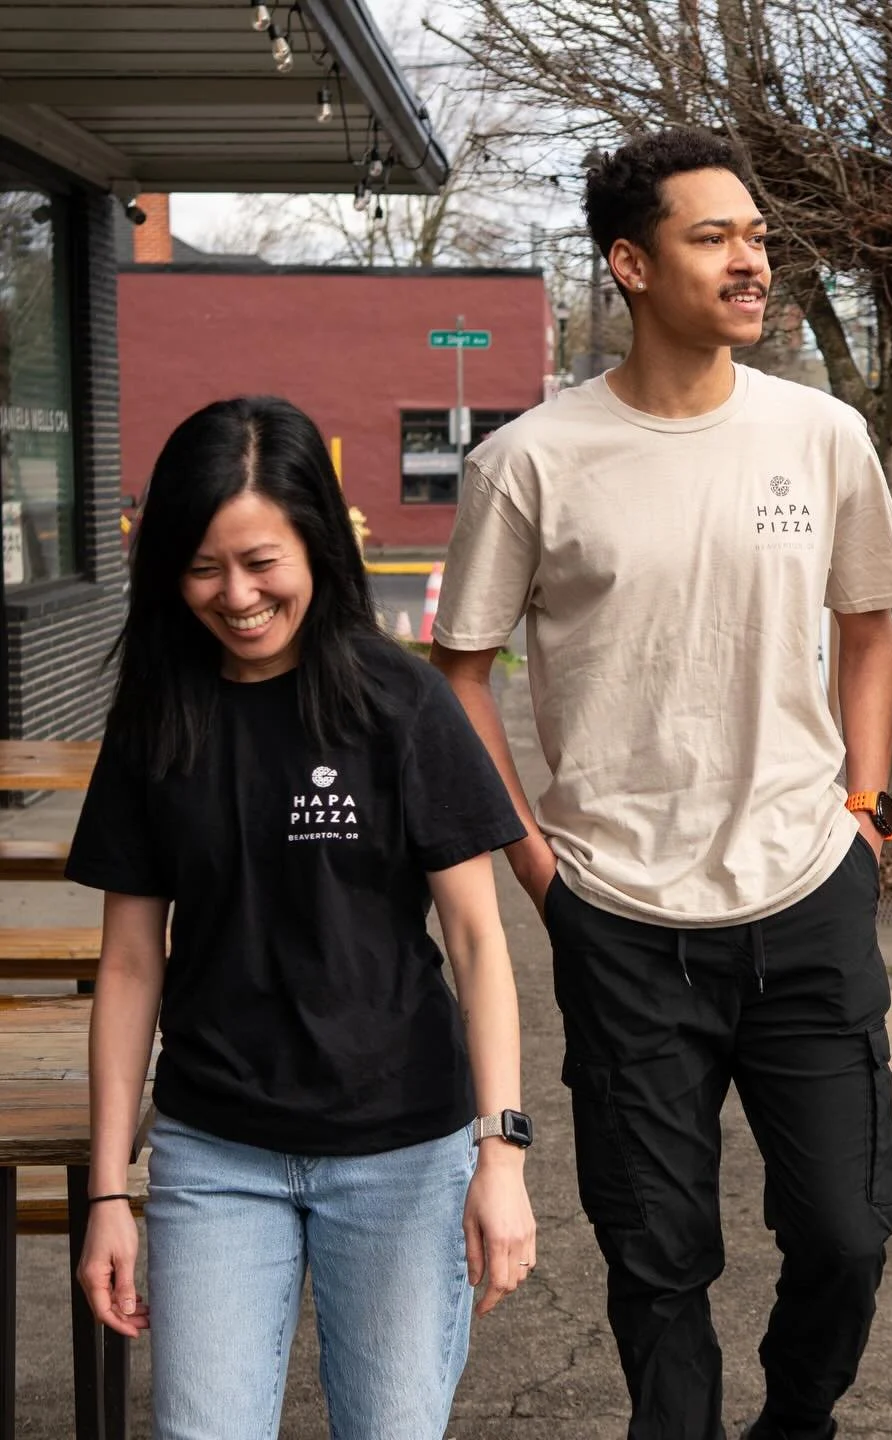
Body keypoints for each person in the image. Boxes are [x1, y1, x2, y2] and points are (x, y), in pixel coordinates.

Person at [431, 127, 892, 1440]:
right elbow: (457, 671)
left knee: (848, 1231)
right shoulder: (529, 461)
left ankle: (795, 1419)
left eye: (757, 235)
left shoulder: (821, 438)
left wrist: (867, 814)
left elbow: (872, 629)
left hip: (808, 891)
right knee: (657, 1260)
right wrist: (537, 865)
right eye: (717, 237)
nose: (753, 259)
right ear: (632, 265)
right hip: (619, 915)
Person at [68, 396, 536, 1438]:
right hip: (214, 1150)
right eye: (202, 567)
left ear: (317, 543)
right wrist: (109, 1192)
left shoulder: (401, 704)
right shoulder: (157, 718)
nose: (235, 596)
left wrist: (499, 1154)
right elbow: (132, 963)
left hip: (404, 1155)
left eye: (261, 561)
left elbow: (477, 941)